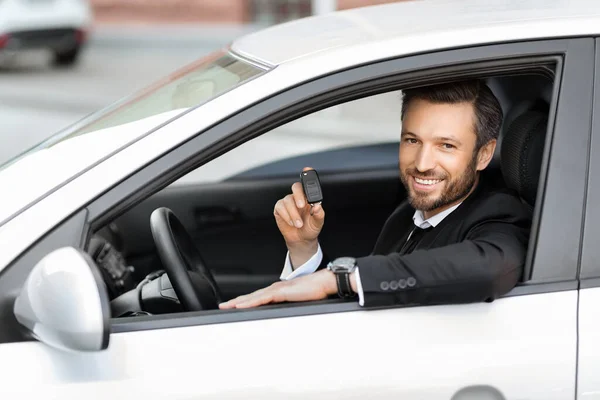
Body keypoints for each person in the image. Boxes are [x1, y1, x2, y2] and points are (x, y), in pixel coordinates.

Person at [219, 80, 532, 310]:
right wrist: (304, 249)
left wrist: (337, 278)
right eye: (412, 140)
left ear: (483, 154)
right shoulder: (406, 217)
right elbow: (361, 295)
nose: (422, 164)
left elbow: (490, 268)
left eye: (446, 146)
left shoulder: (500, 214)